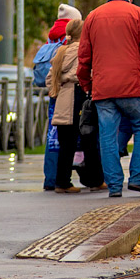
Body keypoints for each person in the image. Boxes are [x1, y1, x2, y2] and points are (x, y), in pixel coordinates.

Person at [77, 0, 140, 197]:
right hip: (133, 85)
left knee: (107, 135)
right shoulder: (138, 15)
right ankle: (139, 178)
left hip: (103, 88)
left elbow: (83, 56)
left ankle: (114, 186)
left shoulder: (93, 16)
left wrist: (87, 84)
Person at [37, 3, 81, 191]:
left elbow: (51, 75)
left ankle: (51, 178)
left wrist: (55, 87)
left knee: (54, 138)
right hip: (71, 95)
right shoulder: (69, 39)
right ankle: (66, 179)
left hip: (55, 94)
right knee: (72, 139)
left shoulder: (52, 36)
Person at [47, 18, 88, 192]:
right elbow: (82, 74)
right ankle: (66, 183)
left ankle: (61, 181)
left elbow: (49, 79)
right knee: (82, 143)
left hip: (62, 103)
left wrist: (57, 89)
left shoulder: (61, 51)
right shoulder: (82, 51)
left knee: (65, 145)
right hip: (76, 102)